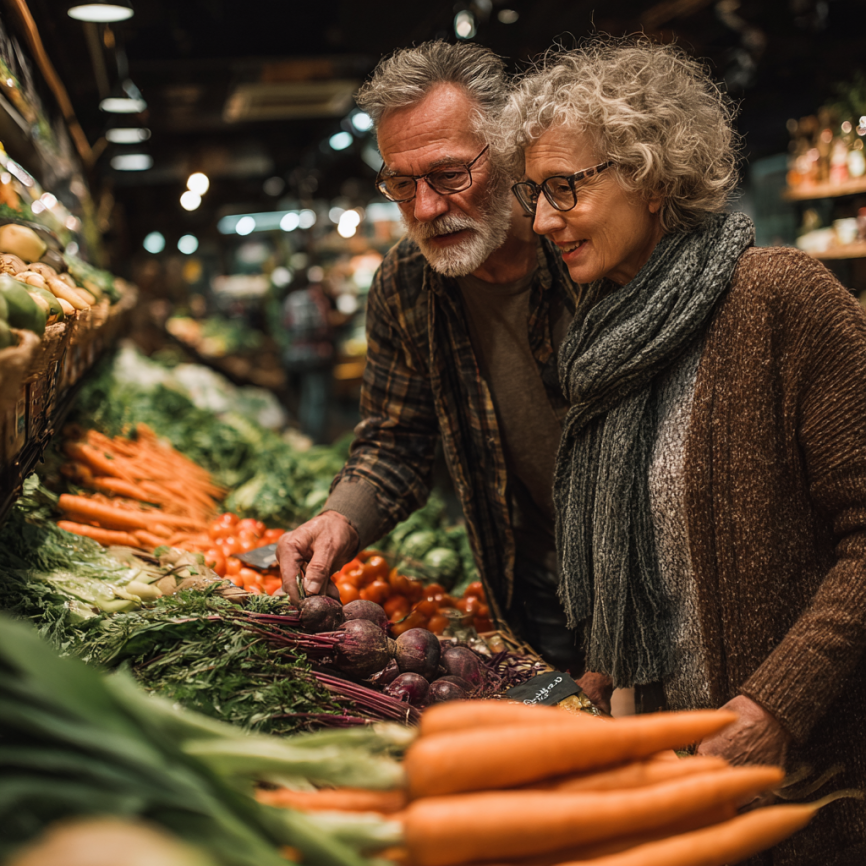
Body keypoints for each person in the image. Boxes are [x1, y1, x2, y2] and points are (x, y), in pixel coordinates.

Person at [499, 35, 866, 865]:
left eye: (566, 187)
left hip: (814, 788)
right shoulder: (605, 341)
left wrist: (776, 706)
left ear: (654, 175)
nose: (543, 220)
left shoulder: (780, 300)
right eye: (534, 192)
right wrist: (608, 669)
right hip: (679, 780)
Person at [277, 40, 585, 671]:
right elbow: (398, 439)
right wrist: (341, 519)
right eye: (400, 183)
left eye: (449, 175)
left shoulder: (589, 250)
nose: (425, 208)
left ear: (508, 150)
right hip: (532, 580)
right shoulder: (403, 285)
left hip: (656, 568)